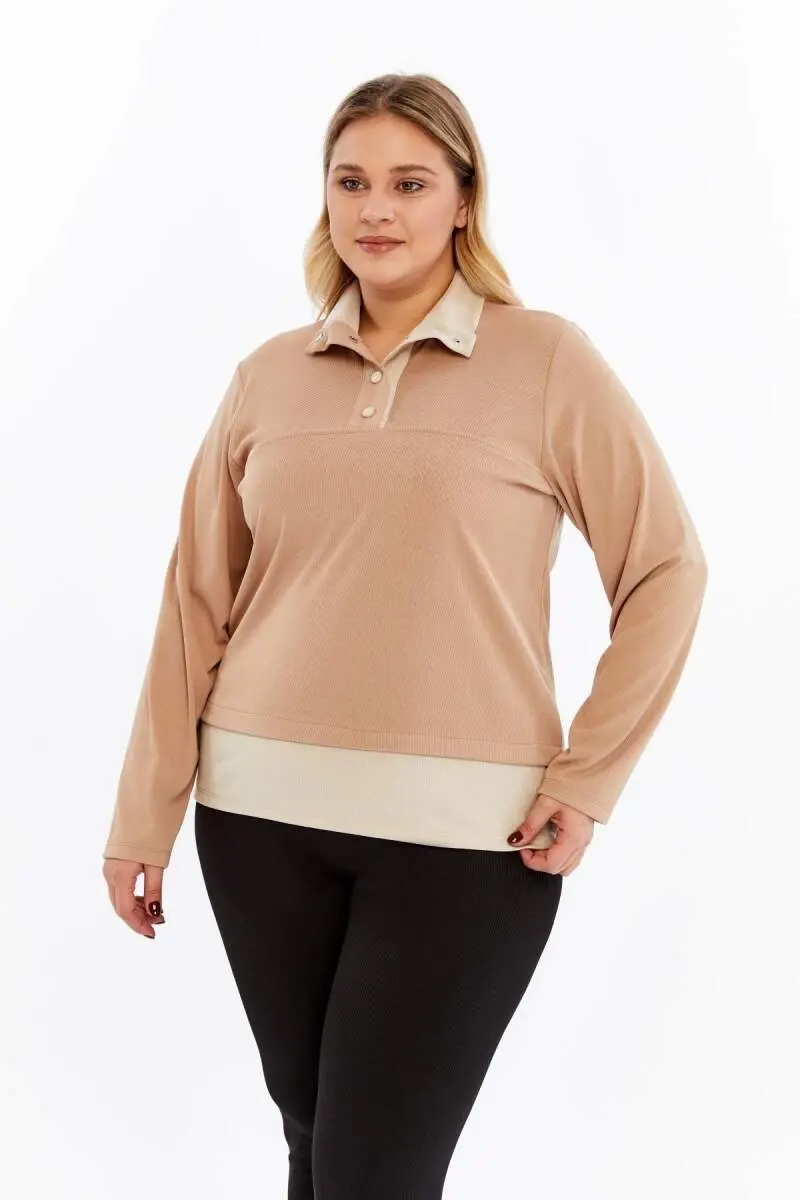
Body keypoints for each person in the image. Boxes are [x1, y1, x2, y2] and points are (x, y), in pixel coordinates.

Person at [102, 72, 708, 1199]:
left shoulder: (546, 361)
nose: (375, 209)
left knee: (374, 1172)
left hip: (467, 840)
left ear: (464, 200)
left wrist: (586, 779)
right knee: (317, 1148)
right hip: (257, 820)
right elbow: (194, 602)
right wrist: (146, 813)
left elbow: (667, 570)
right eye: (351, 182)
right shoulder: (267, 377)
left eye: (410, 183)